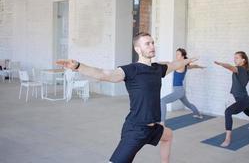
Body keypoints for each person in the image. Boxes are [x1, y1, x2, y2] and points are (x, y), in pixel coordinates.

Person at [56, 32, 198, 163]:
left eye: (153, 43)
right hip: (136, 129)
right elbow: (104, 74)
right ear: (137, 49)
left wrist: (188, 60)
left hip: (153, 127)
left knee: (168, 136)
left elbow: (174, 64)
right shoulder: (130, 70)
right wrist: (78, 66)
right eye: (147, 44)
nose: (152, 46)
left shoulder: (157, 68)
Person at [160, 48, 205, 123]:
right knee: (188, 104)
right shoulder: (183, 65)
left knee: (162, 101)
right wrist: (200, 67)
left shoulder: (181, 65)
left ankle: (162, 122)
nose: (176, 56)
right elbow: (193, 66)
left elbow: (169, 63)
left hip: (179, 90)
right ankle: (198, 114)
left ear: (183, 56)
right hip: (180, 90)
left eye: (178, 54)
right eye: (176, 54)